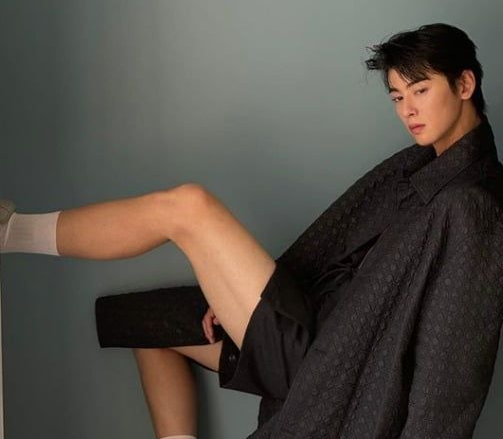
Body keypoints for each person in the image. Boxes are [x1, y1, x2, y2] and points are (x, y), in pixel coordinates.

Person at [1, 22, 501, 439]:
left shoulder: (472, 208)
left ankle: (9, 233)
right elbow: (330, 238)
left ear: (464, 85)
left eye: (420, 91)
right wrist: (232, 289)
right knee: (135, 320)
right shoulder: (415, 164)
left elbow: (452, 369)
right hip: (310, 323)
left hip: (329, 368)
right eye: (397, 96)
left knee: (188, 206)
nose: (408, 110)